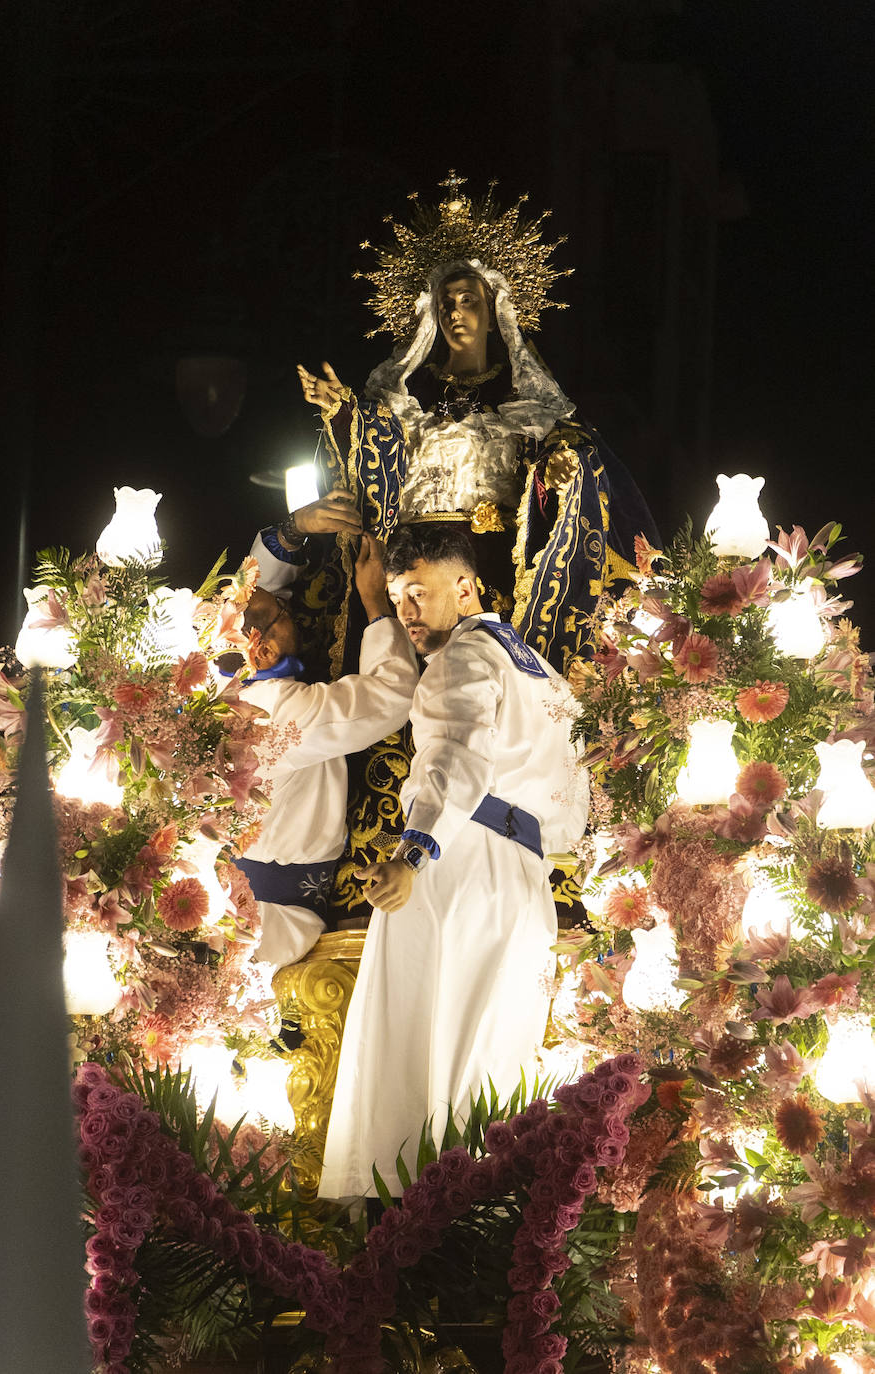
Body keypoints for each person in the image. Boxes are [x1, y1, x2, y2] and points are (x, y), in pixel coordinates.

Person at [297, 174, 660, 681]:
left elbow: (566, 448)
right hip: (409, 569)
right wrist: (340, 415)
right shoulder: (407, 393)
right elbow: (373, 465)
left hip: (486, 565)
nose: (454, 311)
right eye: (445, 301)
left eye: (468, 299)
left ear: (495, 310)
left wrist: (557, 468)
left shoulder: (523, 398)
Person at [318, 524, 589, 1200]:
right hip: (525, 880)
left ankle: (407, 1234)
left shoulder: (461, 659)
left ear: (465, 589)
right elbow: (573, 792)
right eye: (397, 597)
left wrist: (414, 853)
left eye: (419, 594)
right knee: (493, 1054)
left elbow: (452, 760)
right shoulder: (537, 667)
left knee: (415, 1039)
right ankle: (479, 1226)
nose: (407, 611)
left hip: (458, 863)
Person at [233, 520, 417, 971]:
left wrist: (292, 531)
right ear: (261, 650)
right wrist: (375, 602)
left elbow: (250, 607)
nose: (291, 609)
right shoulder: (280, 713)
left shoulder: (219, 685)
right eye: (285, 614)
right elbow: (394, 695)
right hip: (278, 924)